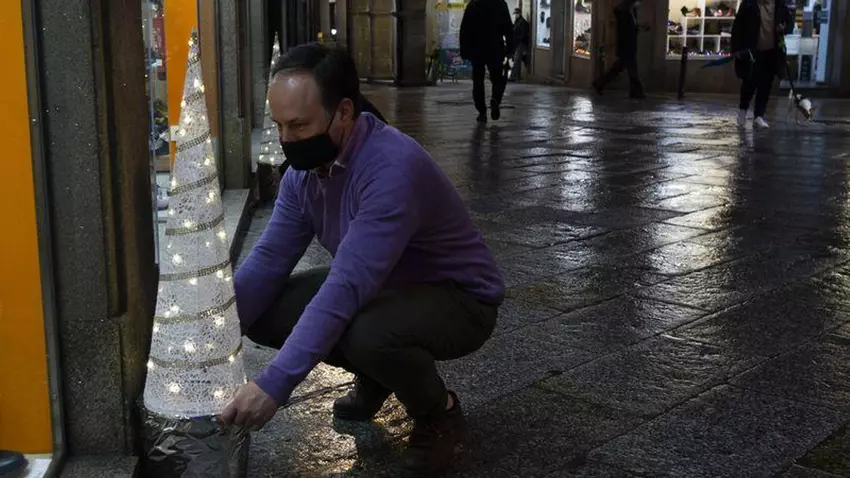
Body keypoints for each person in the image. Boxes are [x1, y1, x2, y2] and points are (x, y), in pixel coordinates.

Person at [224, 43, 504, 474]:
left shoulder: (391, 167)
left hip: (461, 299)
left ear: (344, 112)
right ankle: (378, 375)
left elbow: (346, 286)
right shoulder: (304, 172)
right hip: (385, 287)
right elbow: (267, 261)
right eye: (278, 125)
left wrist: (274, 386)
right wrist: (213, 341)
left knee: (367, 333)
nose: (285, 140)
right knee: (266, 309)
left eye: (298, 125)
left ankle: (439, 414)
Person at [731, 0, 791, 129]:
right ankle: (743, 110)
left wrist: (783, 28)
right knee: (749, 82)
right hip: (753, 51)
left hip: (772, 52)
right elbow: (737, 27)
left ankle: (759, 115)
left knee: (765, 85)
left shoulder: (780, 6)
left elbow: (789, 25)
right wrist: (736, 49)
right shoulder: (749, 4)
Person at [460, 0, 514, 123]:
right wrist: (510, 49)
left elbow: (465, 28)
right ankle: (496, 99)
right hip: (495, 48)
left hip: (476, 48)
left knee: (478, 81)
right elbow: (508, 28)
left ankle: (482, 112)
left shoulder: (473, 5)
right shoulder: (500, 4)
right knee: (498, 78)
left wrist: (464, 50)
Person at [592, 0, 646, 99]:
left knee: (617, 69)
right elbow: (625, 32)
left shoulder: (631, 12)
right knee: (632, 70)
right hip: (627, 47)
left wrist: (638, 28)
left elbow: (631, 28)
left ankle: (600, 83)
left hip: (629, 46)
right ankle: (636, 92)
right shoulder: (624, 13)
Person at [509, 8, 531, 82]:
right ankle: (515, 76)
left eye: (516, 13)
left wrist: (517, 39)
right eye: (515, 14)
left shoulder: (523, 22)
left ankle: (514, 77)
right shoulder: (517, 22)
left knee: (517, 60)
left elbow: (523, 35)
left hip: (521, 44)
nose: (515, 15)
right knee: (517, 60)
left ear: (519, 13)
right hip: (517, 44)